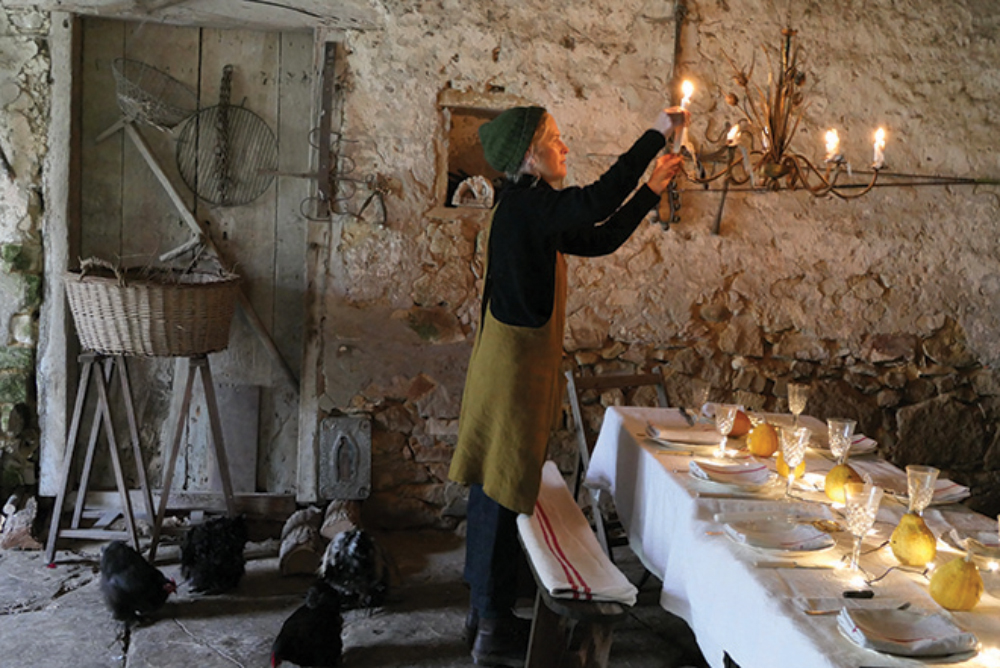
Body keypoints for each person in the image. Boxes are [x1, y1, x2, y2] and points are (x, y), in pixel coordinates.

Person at [448, 104, 688, 667]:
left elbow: (599, 237)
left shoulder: (531, 208)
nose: (565, 149)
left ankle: (484, 613)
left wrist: (651, 191)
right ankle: (491, 626)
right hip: (510, 373)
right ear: (530, 157)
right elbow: (598, 200)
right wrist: (654, 134)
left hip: (511, 368)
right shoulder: (527, 205)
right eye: (555, 140)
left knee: (497, 487)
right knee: (500, 489)